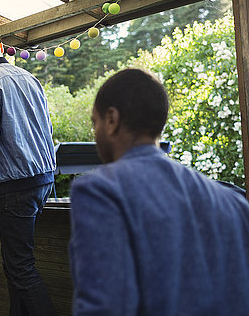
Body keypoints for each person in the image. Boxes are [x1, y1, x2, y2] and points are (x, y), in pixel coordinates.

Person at [69, 68, 249, 315]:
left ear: (111, 119)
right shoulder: (235, 203)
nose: (95, 132)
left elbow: (105, 308)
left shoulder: (102, 191)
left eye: (95, 122)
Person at [0, 27, 57, 316]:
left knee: (20, 267)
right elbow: (47, 129)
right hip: (45, 178)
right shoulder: (30, 78)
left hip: (17, 184)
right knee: (16, 266)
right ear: (1, 46)